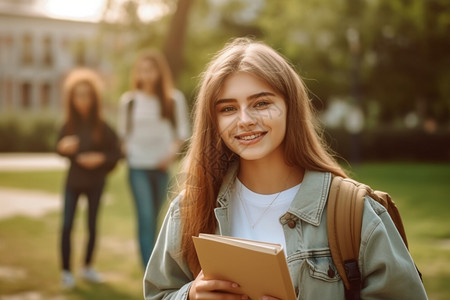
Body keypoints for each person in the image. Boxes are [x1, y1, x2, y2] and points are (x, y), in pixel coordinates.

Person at [143, 38, 428, 299]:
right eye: (228, 108)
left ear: (290, 106)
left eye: (261, 103)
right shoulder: (191, 207)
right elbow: (158, 293)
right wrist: (190, 295)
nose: (244, 120)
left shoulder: (355, 212)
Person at [117, 49, 190, 269]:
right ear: (137, 73)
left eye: (151, 70)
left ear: (160, 72)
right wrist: (129, 151)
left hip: (162, 166)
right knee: (146, 216)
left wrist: (169, 156)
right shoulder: (129, 101)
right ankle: (149, 269)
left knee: (159, 218)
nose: (147, 74)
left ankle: (158, 264)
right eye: (142, 70)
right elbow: (122, 135)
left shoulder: (173, 99)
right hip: (137, 167)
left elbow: (182, 133)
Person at [56, 68, 121, 289]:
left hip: (95, 183)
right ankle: (66, 272)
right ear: (71, 98)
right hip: (73, 182)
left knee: (92, 225)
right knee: (66, 225)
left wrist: (100, 158)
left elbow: (117, 153)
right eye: (77, 95)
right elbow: (58, 148)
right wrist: (62, 148)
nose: (82, 99)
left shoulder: (102, 127)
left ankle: (87, 267)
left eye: (86, 94)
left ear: (94, 97)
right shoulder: (68, 125)